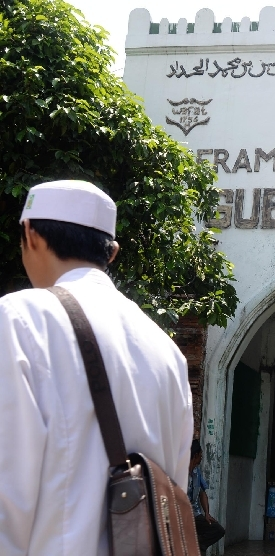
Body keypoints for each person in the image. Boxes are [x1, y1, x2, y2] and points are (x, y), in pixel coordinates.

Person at [0, 180, 194, 555]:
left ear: (30, 234)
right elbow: (172, 492)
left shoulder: (19, 320)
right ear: (113, 252)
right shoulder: (167, 351)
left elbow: (8, 492)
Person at [188, 439, 225, 554]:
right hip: (180, 515)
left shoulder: (197, 471)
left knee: (217, 530)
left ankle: (197, 544)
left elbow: (202, 492)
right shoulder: (179, 472)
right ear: (195, 455)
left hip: (194, 514)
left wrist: (207, 513)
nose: (202, 457)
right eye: (201, 455)